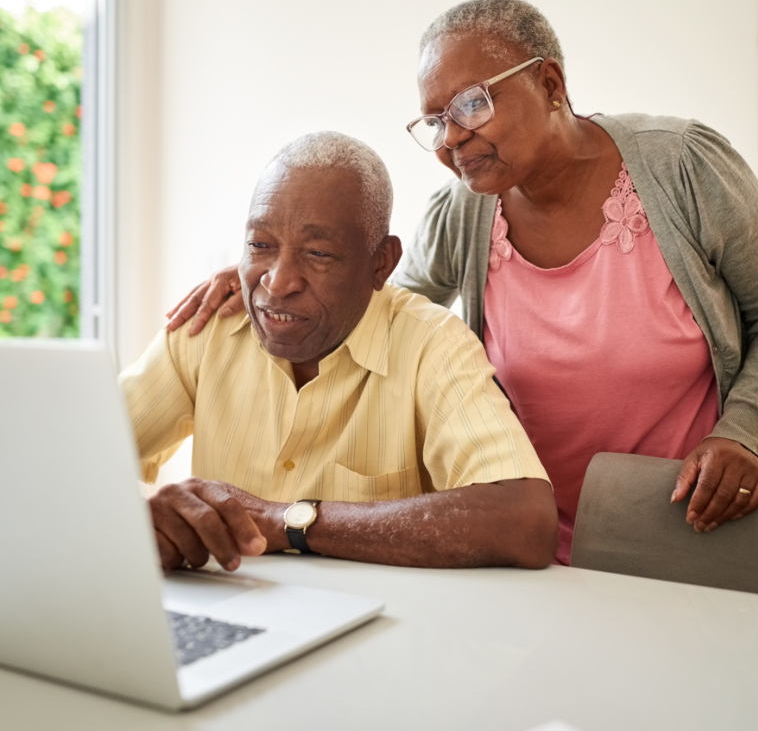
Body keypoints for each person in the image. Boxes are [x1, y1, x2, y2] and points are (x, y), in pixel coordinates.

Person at [168, 0, 758, 565]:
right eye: (434, 122)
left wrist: (742, 434)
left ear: (550, 83)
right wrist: (278, 265)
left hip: (689, 527)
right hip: (524, 542)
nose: (451, 139)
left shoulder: (682, 167)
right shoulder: (466, 211)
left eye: (471, 105)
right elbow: (385, 306)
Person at [124, 130, 557, 573]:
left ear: (381, 263)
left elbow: (525, 522)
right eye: (260, 245)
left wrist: (285, 521)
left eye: (317, 253)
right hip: (229, 617)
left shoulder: (432, 345)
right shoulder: (206, 329)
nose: (277, 281)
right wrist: (152, 514)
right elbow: (69, 463)